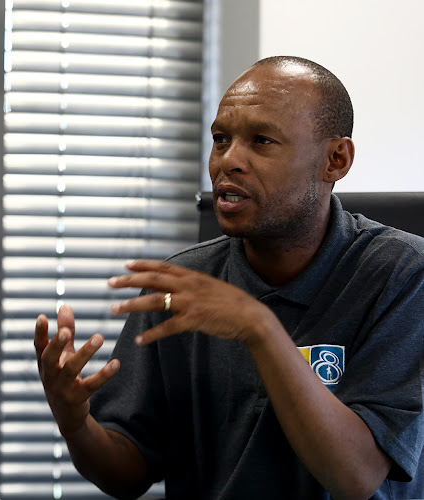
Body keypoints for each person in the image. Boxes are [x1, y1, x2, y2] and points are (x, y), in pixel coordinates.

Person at [35, 56, 424, 499]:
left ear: (335, 160)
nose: (228, 161)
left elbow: (355, 477)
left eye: (261, 141)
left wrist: (257, 326)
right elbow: (127, 473)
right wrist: (75, 422)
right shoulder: (184, 282)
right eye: (221, 139)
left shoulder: (404, 274)